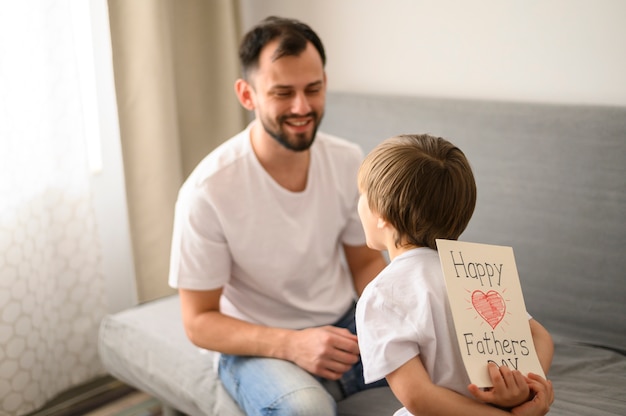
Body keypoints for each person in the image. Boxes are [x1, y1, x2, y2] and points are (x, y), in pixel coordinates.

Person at [168, 16, 392, 416]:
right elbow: (198, 321)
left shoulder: (346, 159)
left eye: (313, 89)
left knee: (448, 367)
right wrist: (292, 344)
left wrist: (401, 316)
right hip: (254, 342)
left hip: (344, 323)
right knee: (306, 409)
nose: (302, 107)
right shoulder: (208, 191)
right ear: (247, 94)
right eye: (283, 93)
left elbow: (365, 262)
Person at [355, 134, 555, 416]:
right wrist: (529, 386)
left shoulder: (381, 295)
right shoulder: (476, 273)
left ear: (381, 214)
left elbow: (419, 397)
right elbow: (541, 337)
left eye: (362, 194)